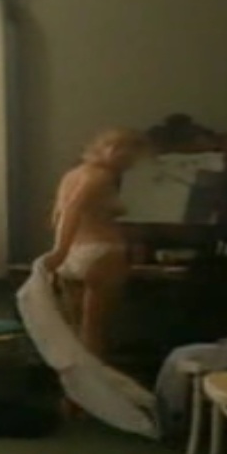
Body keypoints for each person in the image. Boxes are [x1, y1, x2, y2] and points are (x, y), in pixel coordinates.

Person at [46, 127, 149, 362]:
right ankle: (94, 382)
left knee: (75, 330)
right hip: (101, 252)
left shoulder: (72, 175)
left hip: (74, 254)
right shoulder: (100, 177)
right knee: (95, 329)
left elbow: (58, 215)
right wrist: (59, 251)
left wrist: (61, 251)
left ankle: (75, 383)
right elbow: (72, 211)